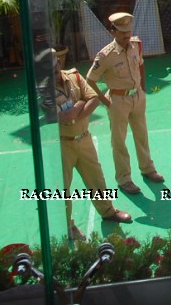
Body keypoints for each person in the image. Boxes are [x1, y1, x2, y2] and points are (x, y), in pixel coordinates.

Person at [52, 53, 132, 240]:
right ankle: (67, 225)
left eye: (54, 67)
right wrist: (81, 104)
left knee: (96, 177)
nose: (52, 72)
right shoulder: (41, 90)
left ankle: (108, 211)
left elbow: (94, 99)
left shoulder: (74, 76)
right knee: (63, 187)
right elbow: (63, 117)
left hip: (84, 139)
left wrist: (76, 112)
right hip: (62, 145)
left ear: (58, 62)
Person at [84, 13, 163, 195]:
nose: (127, 35)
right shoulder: (105, 55)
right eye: (122, 32)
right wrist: (105, 101)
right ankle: (124, 179)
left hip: (137, 98)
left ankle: (147, 168)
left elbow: (141, 64)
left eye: (128, 31)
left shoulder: (135, 45)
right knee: (119, 141)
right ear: (112, 31)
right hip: (118, 101)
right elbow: (90, 79)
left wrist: (142, 88)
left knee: (141, 134)